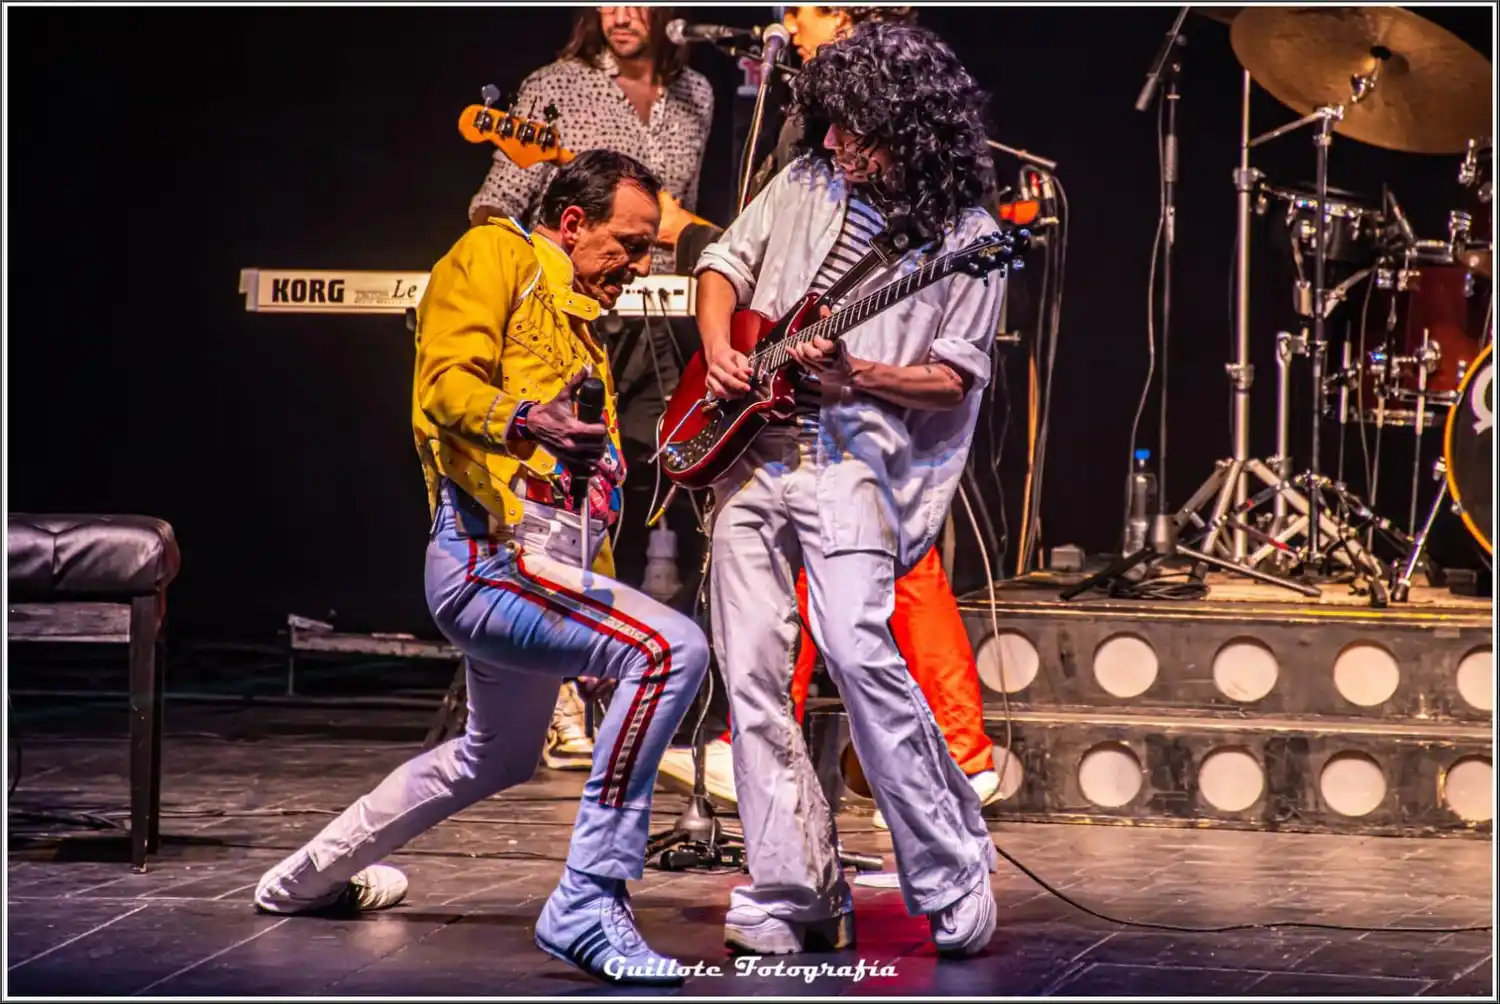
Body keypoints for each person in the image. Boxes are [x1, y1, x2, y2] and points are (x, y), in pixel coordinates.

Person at [254, 150, 710, 988]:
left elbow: (581, 501)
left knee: (494, 756)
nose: (640, 266)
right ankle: (584, 901)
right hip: (488, 560)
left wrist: (598, 625)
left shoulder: (579, 328)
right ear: (572, 223)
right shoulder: (493, 254)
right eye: (628, 244)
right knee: (671, 651)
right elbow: (443, 386)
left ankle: (302, 880)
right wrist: (522, 418)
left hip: (539, 573)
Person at [693, 22, 1004, 958]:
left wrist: (856, 376)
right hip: (750, 456)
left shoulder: (968, 239)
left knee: (860, 650)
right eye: (830, 124)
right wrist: (718, 350)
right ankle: (793, 888)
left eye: (854, 128)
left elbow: (955, 376)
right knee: (749, 672)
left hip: (855, 460)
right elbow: (722, 264)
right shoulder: (804, 181)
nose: (833, 142)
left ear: (907, 128)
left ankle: (952, 871)